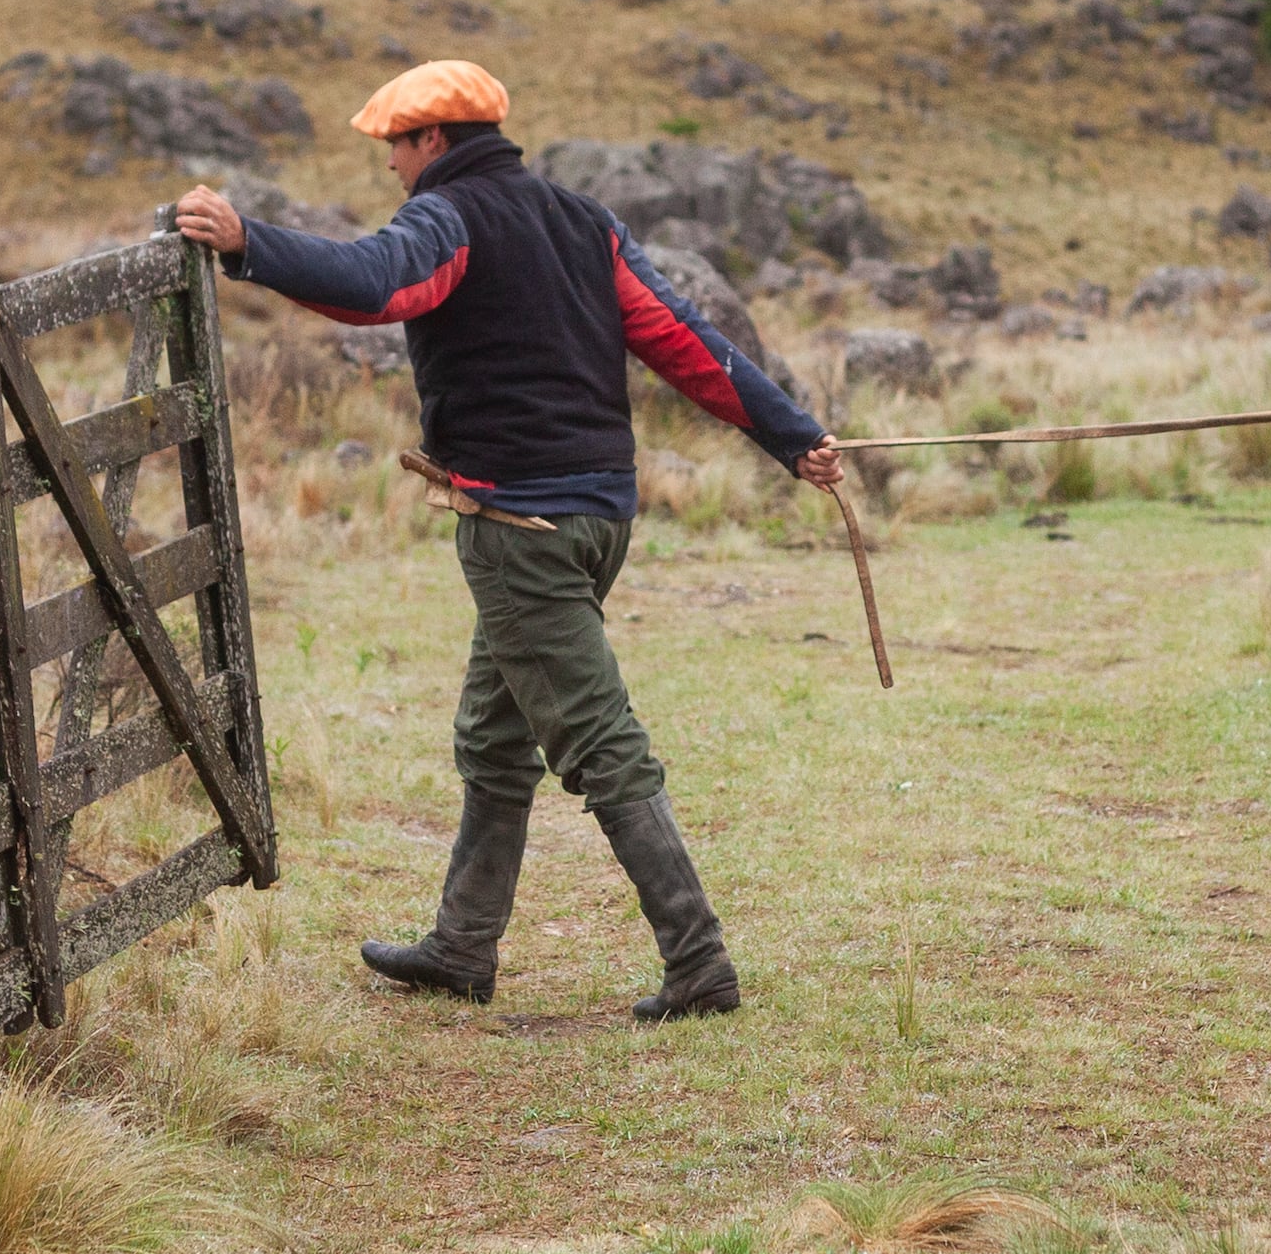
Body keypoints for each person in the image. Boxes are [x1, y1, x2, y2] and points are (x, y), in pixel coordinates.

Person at [174, 60, 843, 1020]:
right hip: (599, 518)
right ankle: (461, 946)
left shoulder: (450, 220)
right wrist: (792, 434)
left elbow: (374, 287)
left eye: (396, 148)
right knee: (493, 738)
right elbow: (684, 341)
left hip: (519, 527)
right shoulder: (583, 219)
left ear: (433, 139)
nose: (392, 169)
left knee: (602, 746)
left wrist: (248, 243)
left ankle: (699, 963)